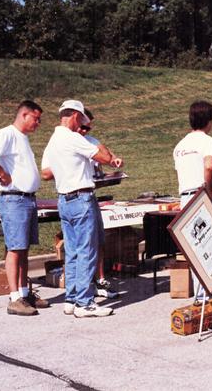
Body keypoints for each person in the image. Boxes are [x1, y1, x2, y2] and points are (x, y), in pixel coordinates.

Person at [41, 100, 117, 318]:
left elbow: (46, 172)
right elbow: (105, 158)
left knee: (72, 252)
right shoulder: (72, 138)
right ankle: (85, 302)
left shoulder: (54, 139)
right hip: (81, 198)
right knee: (87, 250)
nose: (83, 126)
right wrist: (98, 144)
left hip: (64, 199)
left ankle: (72, 298)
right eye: (82, 120)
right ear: (75, 115)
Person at [0, 100, 49, 316]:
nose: (38, 123)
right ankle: (14, 298)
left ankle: (25, 294)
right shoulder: (7, 134)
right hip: (14, 200)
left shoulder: (22, 138)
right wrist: (1, 173)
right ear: (24, 115)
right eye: (36, 118)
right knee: (15, 249)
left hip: (27, 199)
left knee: (23, 248)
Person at [173, 101, 212, 301]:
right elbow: (209, 166)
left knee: (195, 249)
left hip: (186, 199)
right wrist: (207, 190)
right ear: (209, 121)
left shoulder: (180, 146)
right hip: (201, 199)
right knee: (209, 247)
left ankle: (204, 293)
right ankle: (204, 297)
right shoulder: (208, 142)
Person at [77, 109, 123, 299]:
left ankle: (100, 279)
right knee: (84, 243)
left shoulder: (90, 141)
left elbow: (107, 154)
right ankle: (84, 286)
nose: (85, 131)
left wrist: (114, 159)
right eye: (83, 127)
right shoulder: (68, 141)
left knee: (98, 239)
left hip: (90, 194)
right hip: (76, 195)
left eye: (88, 128)